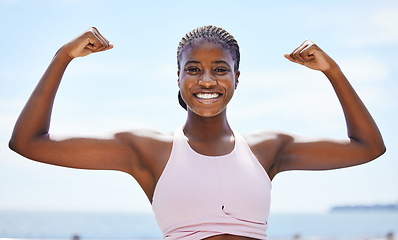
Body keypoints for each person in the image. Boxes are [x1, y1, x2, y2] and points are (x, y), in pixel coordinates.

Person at [9, 26, 385, 240]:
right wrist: (63, 56)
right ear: (178, 76)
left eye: (220, 69)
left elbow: (368, 147)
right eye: (194, 69)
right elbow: (27, 143)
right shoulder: (148, 150)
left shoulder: (269, 148)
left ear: (237, 78)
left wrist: (331, 70)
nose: (207, 80)